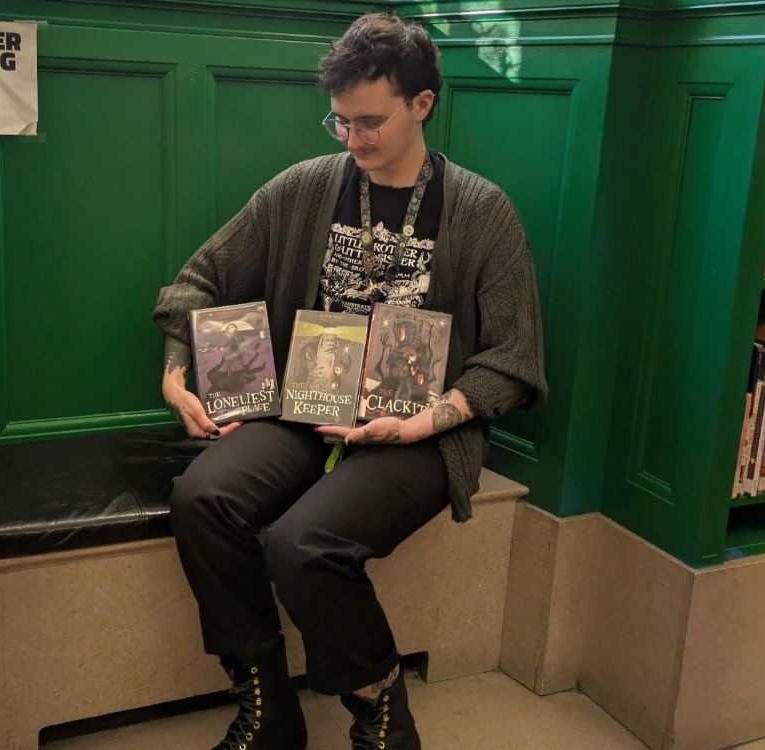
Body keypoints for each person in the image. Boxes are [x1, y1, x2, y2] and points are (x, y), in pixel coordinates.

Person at [153, 12, 547, 750]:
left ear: (422, 104)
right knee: (202, 497)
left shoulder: (482, 212)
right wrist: (179, 375)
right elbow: (198, 281)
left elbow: (514, 356)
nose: (355, 140)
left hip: (420, 430)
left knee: (304, 544)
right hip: (304, 405)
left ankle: (381, 711)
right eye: (341, 123)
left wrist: (427, 422)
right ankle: (268, 705)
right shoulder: (304, 188)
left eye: (372, 122)